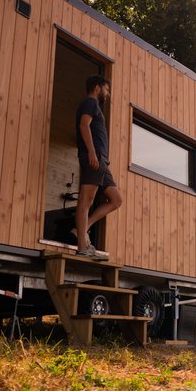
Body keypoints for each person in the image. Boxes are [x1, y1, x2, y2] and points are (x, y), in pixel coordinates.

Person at [74, 75, 123, 259]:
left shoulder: (94, 105)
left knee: (116, 199)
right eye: (106, 89)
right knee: (87, 200)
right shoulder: (90, 102)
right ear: (97, 87)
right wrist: (92, 153)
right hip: (93, 157)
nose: (107, 93)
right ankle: (81, 247)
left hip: (102, 161)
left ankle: (84, 227)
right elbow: (84, 125)